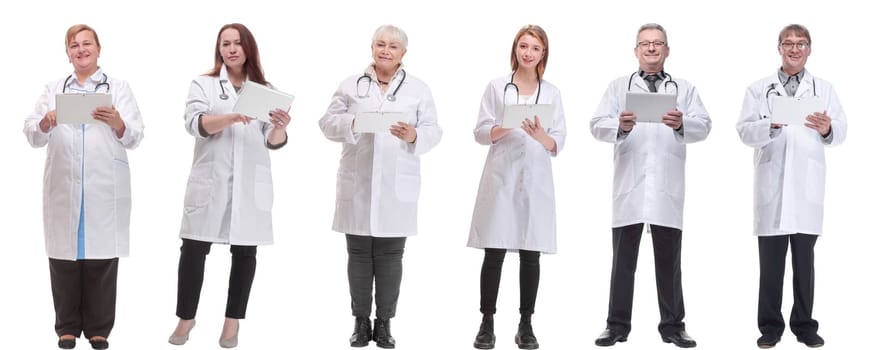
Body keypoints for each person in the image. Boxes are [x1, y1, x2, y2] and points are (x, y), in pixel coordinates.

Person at [167, 23, 290, 349]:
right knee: (193, 249)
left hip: (250, 183)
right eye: (226, 44)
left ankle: (232, 321)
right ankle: (186, 317)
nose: (232, 49)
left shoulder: (265, 90)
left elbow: (272, 141)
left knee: (245, 251)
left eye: (237, 43)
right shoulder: (204, 84)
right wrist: (231, 117)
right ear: (219, 49)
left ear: (248, 48)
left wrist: (279, 127)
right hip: (211, 179)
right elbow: (195, 124)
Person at [319, 24, 442, 349]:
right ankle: (361, 322)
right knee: (358, 255)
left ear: (404, 53)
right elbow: (326, 123)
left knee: (390, 257)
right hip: (357, 183)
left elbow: (434, 129)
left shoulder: (418, 88)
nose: (385, 50)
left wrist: (414, 135)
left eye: (393, 46)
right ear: (371, 47)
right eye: (380, 44)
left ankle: (384, 323)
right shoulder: (350, 85)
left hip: (396, 187)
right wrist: (353, 123)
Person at [23, 24, 145, 350]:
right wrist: (46, 122)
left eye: (86, 43)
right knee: (64, 260)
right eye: (73, 45)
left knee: (102, 262)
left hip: (103, 186)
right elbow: (31, 133)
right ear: (68, 52)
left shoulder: (118, 87)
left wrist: (118, 122)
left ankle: (99, 328)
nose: (80, 49)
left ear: (98, 48)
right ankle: (66, 327)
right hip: (64, 184)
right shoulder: (53, 88)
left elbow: (136, 134)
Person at [589, 23, 711, 348]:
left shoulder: (683, 88)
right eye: (645, 44)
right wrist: (621, 125)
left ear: (667, 50)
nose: (652, 49)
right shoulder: (618, 87)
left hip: (666, 190)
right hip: (630, 188)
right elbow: (596, 124)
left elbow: (705, 125)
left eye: (658, 44)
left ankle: (673, 327)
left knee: (669, 263)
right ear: (636, 50)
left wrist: (683, 123)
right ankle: (615, 326)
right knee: (622, 263)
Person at [736, 24, 846, 349]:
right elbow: (743, 130)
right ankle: (770, 327)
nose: (794, 49)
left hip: (806, 191)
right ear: (779, 48)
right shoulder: (759, 89)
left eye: (801, 44)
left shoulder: (823, 89)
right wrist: (768, 126)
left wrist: (828, 129)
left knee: (804, 265)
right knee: (770, 267)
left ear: (810, 49)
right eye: (788, 43)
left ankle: (804, 325)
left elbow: (840, 130)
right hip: (771, 188)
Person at [466, 24, 566, 350]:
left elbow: (559, 140)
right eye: (523, 46)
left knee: (530, 253)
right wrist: (504, 126)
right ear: (515, 49)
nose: (528, 52)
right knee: (494, 251)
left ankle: (526, 324)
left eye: (534, 48)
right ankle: (487, 322)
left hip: (535, 179)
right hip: (501, 177)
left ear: (543, 54)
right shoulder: (497, 88)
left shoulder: (551, 93)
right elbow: (480, 132)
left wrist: (541, 136)